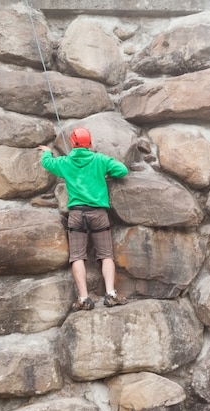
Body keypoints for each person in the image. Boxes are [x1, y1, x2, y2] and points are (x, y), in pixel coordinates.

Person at [38, 127, 128, 311]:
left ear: (72, 143)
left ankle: (84, 297)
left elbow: (48, 164)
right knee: (106, 255)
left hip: (76, 215)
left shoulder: (65, 162)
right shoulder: (100, 160)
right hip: (99, 214)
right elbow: (122, 170)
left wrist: (47, 153)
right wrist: (108, 174)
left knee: (77, 256)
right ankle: (110, 294)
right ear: (90, 143)